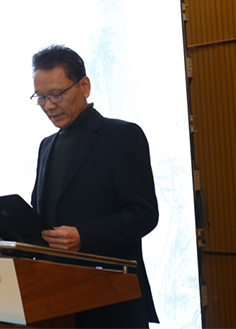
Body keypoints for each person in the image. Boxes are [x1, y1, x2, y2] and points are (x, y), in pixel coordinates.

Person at [29, 44, 159, 328]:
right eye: (40, 97)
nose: (48, 106)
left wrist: (83, 236)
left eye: (56, 95)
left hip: (110, 299)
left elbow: (144, 214)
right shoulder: (47, 145)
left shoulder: (122, 136)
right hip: (54, 296)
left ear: (84, 86)